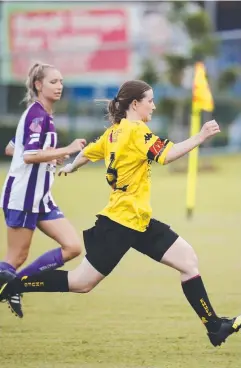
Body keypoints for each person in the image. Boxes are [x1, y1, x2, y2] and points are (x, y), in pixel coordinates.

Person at [1, 80, 240, 347]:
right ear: (135, 104)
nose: (154, 105)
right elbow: (168, 155)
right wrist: (201, 136)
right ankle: (15, 284)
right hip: (120, 224)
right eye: (150, 100)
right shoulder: (136, 132)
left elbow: (89, 152)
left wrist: (72, 167)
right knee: (81, 282)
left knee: (187, 261)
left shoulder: (114, 132)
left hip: (138, 220)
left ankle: (215, 327)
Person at [0, 62, 86, 317]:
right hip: (24, 196)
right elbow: (28, 156)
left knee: (72, 246)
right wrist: (66, 150)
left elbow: (12, 148)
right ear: (38, 85)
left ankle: (16, 286)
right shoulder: (37, 116)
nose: (59, 86)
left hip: (41, 198)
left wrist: (50, 156)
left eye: (60, 82)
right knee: (15, 258)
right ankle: (12, 284)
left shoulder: (43, 115)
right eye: (53, 82)